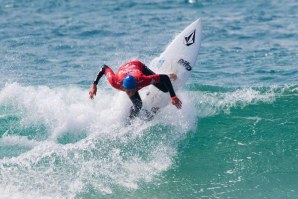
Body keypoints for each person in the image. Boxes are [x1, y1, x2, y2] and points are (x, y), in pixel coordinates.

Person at [89, 60, 182, 119]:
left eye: (133, 90)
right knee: (138, 105)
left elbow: (164, 78)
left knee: (164, 88)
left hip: (138, 65)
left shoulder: (143, 79)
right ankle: (130, 122)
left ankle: (171, 75)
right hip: (124, 69)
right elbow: (104, 67)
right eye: (128, 91)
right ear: (123, 88)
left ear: (136, 86)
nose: (131, 93)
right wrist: (94, 85)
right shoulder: (115, 82)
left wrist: (173, 96)